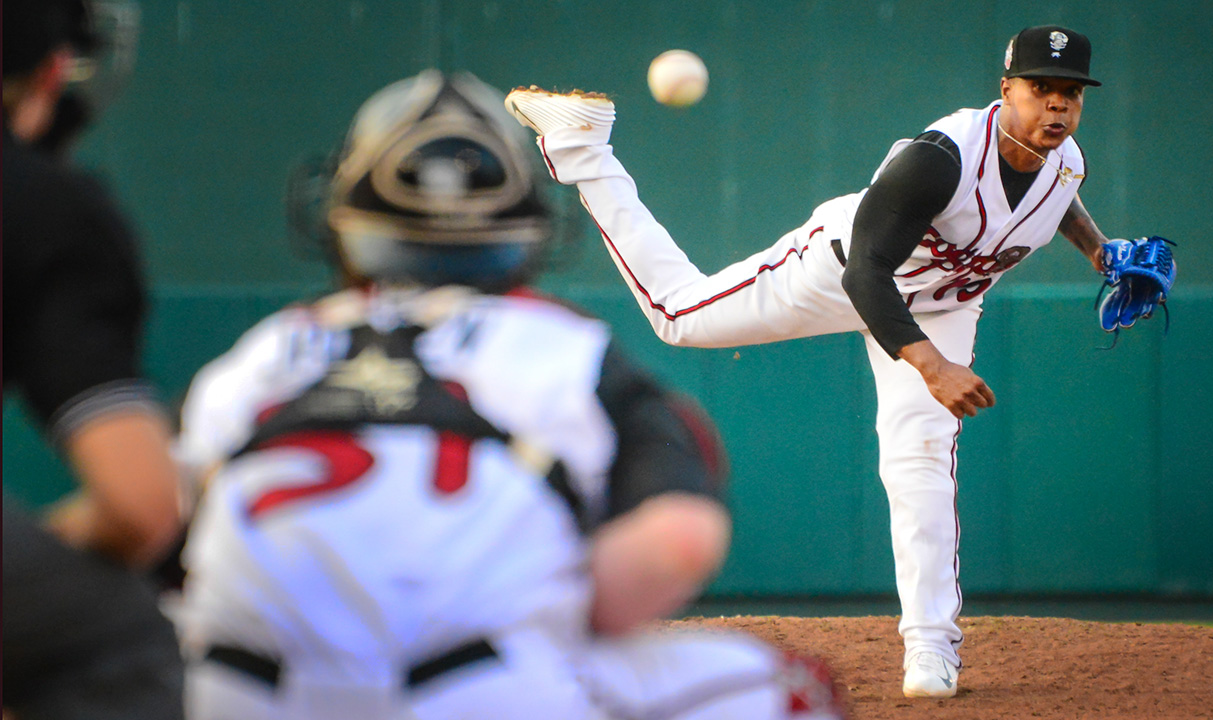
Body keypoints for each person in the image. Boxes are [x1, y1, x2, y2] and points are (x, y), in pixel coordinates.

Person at [175, 69, 843, 720]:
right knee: (789, 686)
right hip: (477, 688)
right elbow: (679, 544)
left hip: (234, 690)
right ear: (526, 222)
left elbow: (153, 530)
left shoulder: (259, 354)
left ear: (343, 212)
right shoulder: (565, 347)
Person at [505, 24, 1122, 699]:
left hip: (941, 304)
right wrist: (932, 366)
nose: (1057, 106)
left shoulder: (1064, 159)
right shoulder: (939, 158)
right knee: (678, 317)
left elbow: (1055, 195)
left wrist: (1100, 251)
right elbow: (867, 275)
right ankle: (582, 144)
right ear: (1007, 90)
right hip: (839, 271)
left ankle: (931, 649)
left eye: (1070, 94)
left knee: (920, 455)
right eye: (1041, 89)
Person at [2, 0, 185, 717]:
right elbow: (140, 507)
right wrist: (57, 541)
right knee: (111, 642)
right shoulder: (42, 203)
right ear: (52, 72)